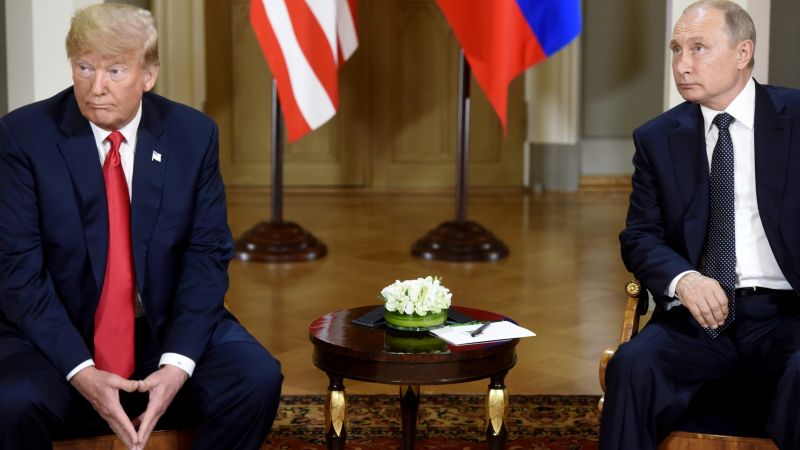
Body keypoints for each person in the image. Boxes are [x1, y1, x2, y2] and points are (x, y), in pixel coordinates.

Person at [0, 4, 282, 450]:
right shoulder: (22, 137)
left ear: (148, 75)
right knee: (13, 401)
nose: (96, 87)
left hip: (160, 323)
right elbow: (18, 272)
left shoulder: (193, 135)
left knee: (256, 378)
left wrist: (178, 363)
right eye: (85, 67)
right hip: (58, 330)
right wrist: (80, 369)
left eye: (115, 71)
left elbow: (206, 256)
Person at [600, 1, 800, 448]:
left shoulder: (796, 118)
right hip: (697, 316)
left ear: (743, 52)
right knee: (632, 366)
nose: (682, 64)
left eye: (698, 48)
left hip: (787, 314)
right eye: (676, 49)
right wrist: (684, 280)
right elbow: (639, 236)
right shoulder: (656, 138)